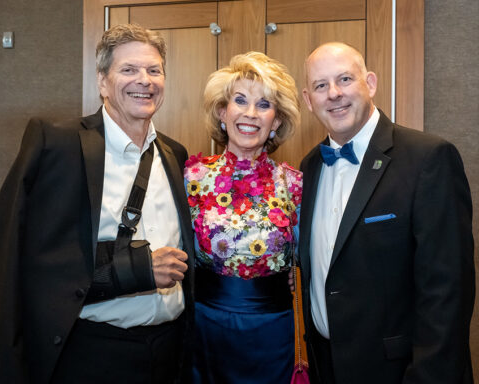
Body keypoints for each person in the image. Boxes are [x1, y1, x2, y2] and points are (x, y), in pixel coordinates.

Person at [0, 24, 194, 384]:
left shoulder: (175, 155)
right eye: (129, 70)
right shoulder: (57, 143)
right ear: (103, 82)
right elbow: (17, 253)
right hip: (88, 352)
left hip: (170, 352)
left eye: (154, 70)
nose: (145, 80)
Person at [298, 41, 475, 384]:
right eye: (321, 86)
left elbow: (448, 292)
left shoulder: (428, 158)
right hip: (327, 368)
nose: (334, 93)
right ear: (308, 100)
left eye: (345, 79)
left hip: (401, 372)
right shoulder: (309, 167)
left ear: (371, 83)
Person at [184, 51, 302, 383]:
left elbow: (315, 257)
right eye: (240, 101)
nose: (251, 114)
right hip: (206, 328)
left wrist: (294, 272)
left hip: (272, 332)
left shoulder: (295, 184)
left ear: (276, 121)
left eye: (264, 105)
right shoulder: (190, 177)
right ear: (223, 111)